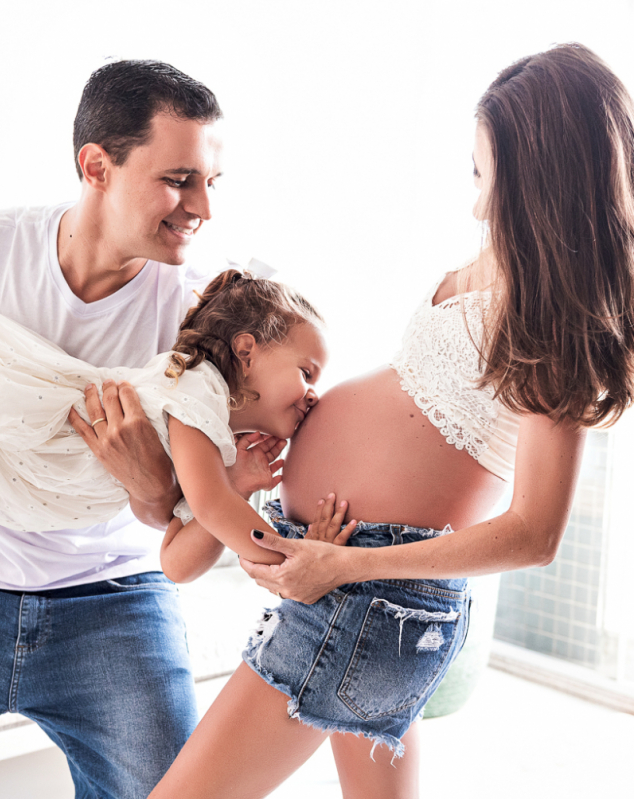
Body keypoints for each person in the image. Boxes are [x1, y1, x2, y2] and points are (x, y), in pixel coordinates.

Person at [143, 43, 634, 799]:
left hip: (367, 591)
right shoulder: (505, 262)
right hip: (350, 581)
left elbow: (536, 534)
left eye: (487, 176)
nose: (476, 203)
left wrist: (344, 565)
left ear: (543, 181)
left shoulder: (552, 320)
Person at [0, 59, 252, 799]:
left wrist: (151, 483)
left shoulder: (199, 310)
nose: (202, 208)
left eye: (211, 183)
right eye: (179, 179)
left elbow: (184, 510)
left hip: (116, 597)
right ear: (97, 165)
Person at [0, 270, 324, 567]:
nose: (314, 393)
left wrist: (237, 485)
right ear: (246, 350)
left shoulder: (217, 442)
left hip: (33, 456)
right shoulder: (199, 386)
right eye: (306, 372)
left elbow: (174, 558)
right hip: (38, 411)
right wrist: (295, 557)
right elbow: (213, 510)